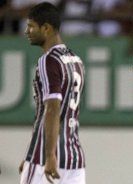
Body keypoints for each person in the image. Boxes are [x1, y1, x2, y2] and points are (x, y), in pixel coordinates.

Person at [19, 2, 86, 184]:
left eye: (31, 26)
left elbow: (52, 109)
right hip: (74, 159)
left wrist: (48, 155)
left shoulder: (48, 60)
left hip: (45, 159)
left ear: (46, 28)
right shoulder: (76, 60)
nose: (26, 31)